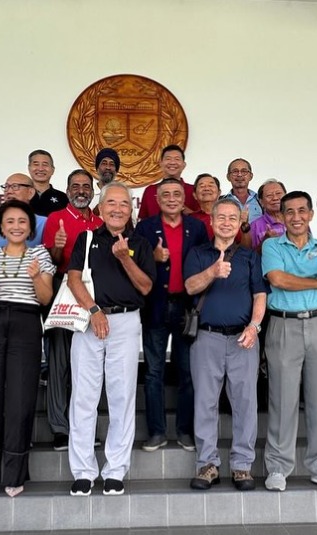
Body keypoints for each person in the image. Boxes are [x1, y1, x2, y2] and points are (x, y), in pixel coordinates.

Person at [67, 182, 155, 497]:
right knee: (84, 398)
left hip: (127, 322)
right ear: (101, 209)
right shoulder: (86, 237)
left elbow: (145, 287)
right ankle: (83, 471)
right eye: (111, 203)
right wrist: (93, 310)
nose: (117, 209)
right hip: (90, 321)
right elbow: (73, 278)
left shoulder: (141, 243)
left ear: (130, 209)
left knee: (122, 397)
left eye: (123, 204)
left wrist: (125, 258)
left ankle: (115, 470)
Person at [0, 199, 55, 498]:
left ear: (30, 227)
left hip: (26, 323)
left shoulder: (41, 255)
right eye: (10, 221)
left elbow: (45, 298)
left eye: (22, 221)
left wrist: (34, 276)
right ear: (1, 227)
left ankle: (15, 474)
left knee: (20, 398)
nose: (16, 226)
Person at [262, 191, 317, 493]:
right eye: (290, 212)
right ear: (281, 217)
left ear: (311, 214)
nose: (296, 217)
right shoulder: (272, 245)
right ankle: (278, 467)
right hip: (284, 325)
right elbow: (278, 279)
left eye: (302, 211)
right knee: (282, 399)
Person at [184, 198, 268, 491]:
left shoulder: (249, 257)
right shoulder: (198, 253)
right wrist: (212, 272)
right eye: (222, 217)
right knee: (205, 402)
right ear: (212, 219)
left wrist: (254, 327)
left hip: (243, 338)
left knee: (245, 403)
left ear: (239, 221)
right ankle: (207, 465)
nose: (227, 222)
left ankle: (242, 466)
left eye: (234, 218)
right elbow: (190, 287)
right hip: (206, 337)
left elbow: (260, 295)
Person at [135, 178, 209, 453]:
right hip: (155, 305)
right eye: (165, 194)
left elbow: (204, 263)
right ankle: (156, 432)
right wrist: (152, 258)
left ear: (184, 198)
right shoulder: (145, 227)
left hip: (186, 308)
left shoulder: (197, 228)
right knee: (153, 372)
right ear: (157, 198)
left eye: (176, 194)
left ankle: (185, 430)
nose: (171, 198)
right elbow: (133, 265)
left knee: (187, 372)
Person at [41, 169, 103, 451]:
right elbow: (51, 261)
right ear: (67, 190)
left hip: (94, 297)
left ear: (92, 191)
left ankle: (85, 427)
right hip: (64, 291)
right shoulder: (57, 218)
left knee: (88, 365)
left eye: (85, 186)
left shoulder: (101, 221)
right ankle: (59, 428)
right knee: (60, 362)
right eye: (75, 185)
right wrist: (58, 247)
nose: (81, 190)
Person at [0, 174, 47, 248]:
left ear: (30, 193)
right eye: (6, 187)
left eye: (15, 187)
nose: (9, 191)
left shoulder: (43, 223)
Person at [137, 144, 200, 220]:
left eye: (177, 159)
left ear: (184, 165)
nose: (172, 162)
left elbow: (201, 219)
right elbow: (142, 220)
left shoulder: (193, 190)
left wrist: (182, 208)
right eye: (168, 159)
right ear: (161, 164)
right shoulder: (150, 190)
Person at [28, 149, 69, 216]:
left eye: (45, 164)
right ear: (29, 168)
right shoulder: (21, 194)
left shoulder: (64, 198)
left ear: (53, 170)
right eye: (36, 164)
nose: (40, 169)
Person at [249, 179, 287, 251]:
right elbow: (250, 257)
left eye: (278, 193)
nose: (275, 198)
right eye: (269, 195)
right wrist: (265, 242)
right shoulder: (255, 226)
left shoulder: (297, 220)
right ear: (261, 202)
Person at [223, 158, 262, 224]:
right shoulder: (221, 201)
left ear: (251, 176)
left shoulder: (261, 200)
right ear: (228, 177)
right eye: (235, 171)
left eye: (244, 171)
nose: (239, 175)